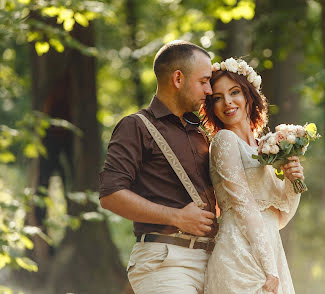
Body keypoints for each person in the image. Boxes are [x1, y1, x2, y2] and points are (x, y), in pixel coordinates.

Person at [98, 40, 218, 294]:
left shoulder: (202, 131)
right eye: (203, 81)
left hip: (216, 262)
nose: (209, 90)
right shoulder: (136, 126)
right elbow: (110, 196)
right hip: (165, 261)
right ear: (178, 78)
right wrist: (176, 217)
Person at [200, 58, 304, 294]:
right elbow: (243, 204)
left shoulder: (264, 148)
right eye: (217, 97)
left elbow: (278, 218)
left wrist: (292, 182)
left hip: (269, 250)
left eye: (234, 92)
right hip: (240, 254)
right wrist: (269, 269)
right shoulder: (224, 141)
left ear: (248, 95)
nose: (227, 102)